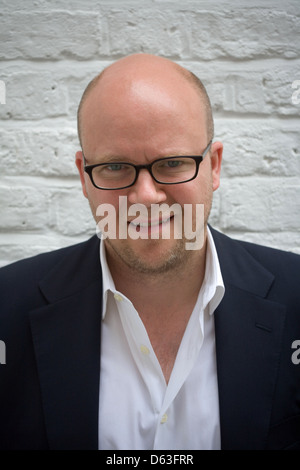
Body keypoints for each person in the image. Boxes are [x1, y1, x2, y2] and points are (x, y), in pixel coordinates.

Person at [0, 53, 299, 451]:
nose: (144, 196)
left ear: (213, 166)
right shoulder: (5, 307)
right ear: (83, 177)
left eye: (173, 162)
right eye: (115, 167)